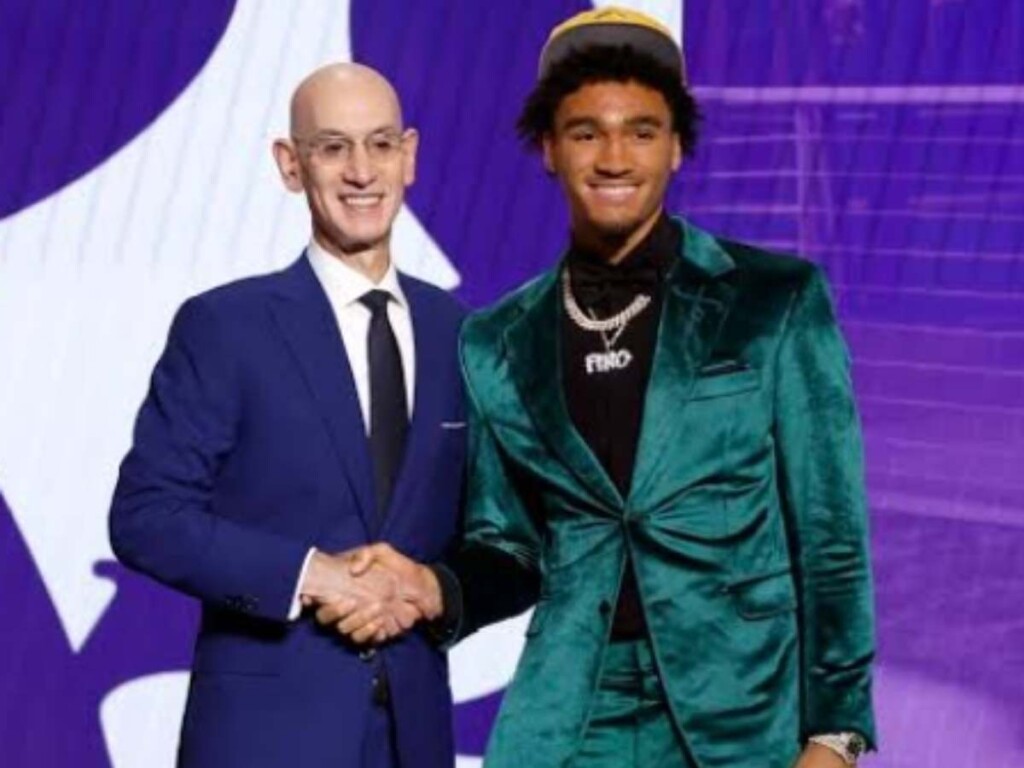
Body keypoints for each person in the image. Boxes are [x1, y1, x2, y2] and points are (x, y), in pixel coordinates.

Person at [338, 8, 877, 768]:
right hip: (567, 716)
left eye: (643, 131)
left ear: (678, 146)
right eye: (587, 132)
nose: (615, 156)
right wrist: (434, 587)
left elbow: (831, 536)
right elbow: (508, 544)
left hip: (741, 717)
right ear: (549, 150)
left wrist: (835, 734)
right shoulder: (498, 340)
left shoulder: (775, 301)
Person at [108, 62, 464, 768]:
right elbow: (146, 516)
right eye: (333, 147)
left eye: (381, 144)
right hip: (264, 738)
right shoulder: (226, 325)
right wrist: (311, 575)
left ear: (410, 156)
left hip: (413, 736)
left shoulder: (462, 333)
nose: (361, 171)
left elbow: (498, 532)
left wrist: (428, 589)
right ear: (290, 165)